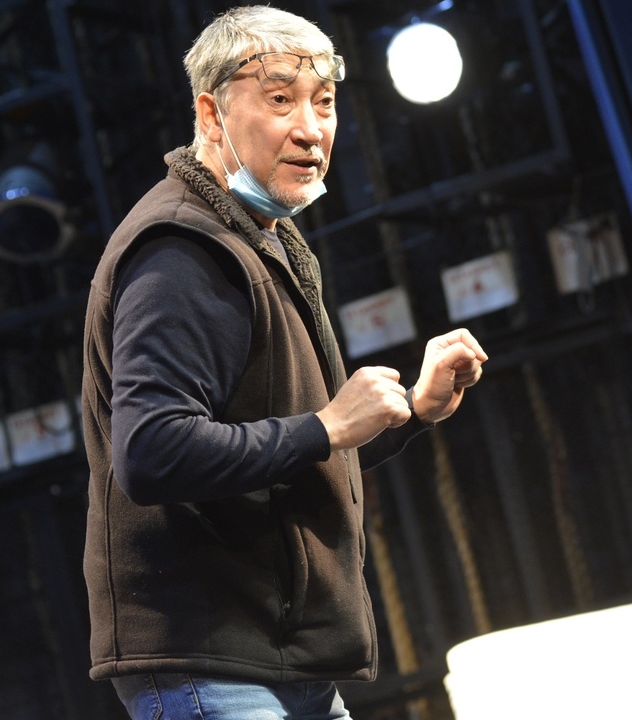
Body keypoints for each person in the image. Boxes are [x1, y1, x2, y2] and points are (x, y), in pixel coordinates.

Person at [79, 6, 487, 719]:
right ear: (210, 114)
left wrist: (412, 411)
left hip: (274, 656)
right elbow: (150, 452)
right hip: (211, 660)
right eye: (279, 99)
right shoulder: (181, 249)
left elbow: (289, 452)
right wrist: (327, 426)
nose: (310, 128)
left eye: (323, 103)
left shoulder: (263, 240)